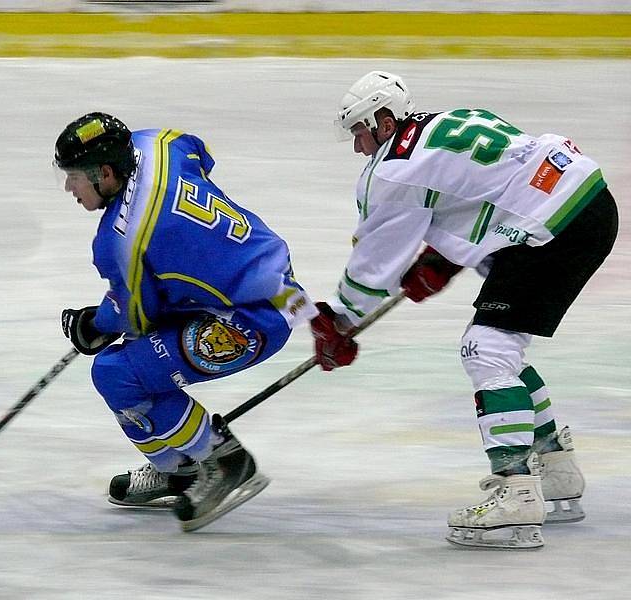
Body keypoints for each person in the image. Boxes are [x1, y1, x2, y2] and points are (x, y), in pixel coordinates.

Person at [311, 71, 618, 549]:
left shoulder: (391, 169)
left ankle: (516, 494)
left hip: (552, 224)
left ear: (384, 119)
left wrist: (340, 322)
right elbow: (492, 188)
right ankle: (555, 469)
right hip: (588, 201)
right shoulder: (452, 119)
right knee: (504, 350)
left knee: (487, 350)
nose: (357, 146)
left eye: (359, 131)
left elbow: (374, 263)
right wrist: (445, 258)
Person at [53, 112, 317, 532]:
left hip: (253, 319)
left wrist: (95, 324)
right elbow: (201, 154)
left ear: (105, 172)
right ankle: (179, 470)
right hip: (278, 284)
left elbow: (136, 316)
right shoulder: (157, 143)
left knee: (116, 372)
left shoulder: (118, 241)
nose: (69, 187)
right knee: (129, 363)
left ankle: (223, 460)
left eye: (75, 177)